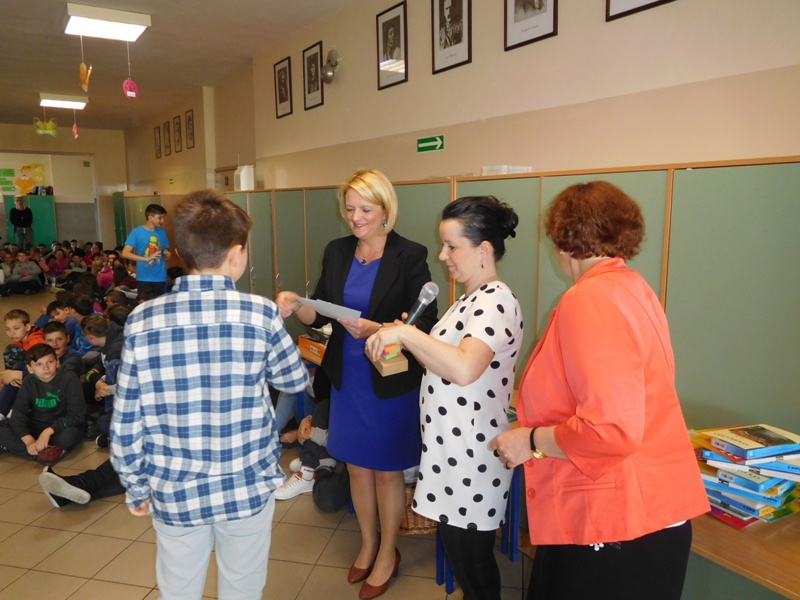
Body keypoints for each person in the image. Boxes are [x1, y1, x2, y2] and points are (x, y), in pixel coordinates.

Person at [490, 181, 710, 600]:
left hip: (616, 522)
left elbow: (610, 430)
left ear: (562, 241)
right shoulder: (634, 288)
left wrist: (529, 441)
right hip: (651, 510)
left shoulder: (588, 300)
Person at [111, 189, 309, 600]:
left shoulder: (142, 320)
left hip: (175, 490)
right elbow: (293, 380)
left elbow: (127, 420)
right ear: (236, 254)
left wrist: (136, 486)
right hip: (246, 485)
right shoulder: (260, 313)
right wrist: (275, 327)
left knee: (179, 588)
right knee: (243, 585)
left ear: (181, 251)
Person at [276, 168, 437, 600]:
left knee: (385, 471)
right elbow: (320, 314)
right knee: (358, 468)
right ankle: (367, 543)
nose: (355, 218)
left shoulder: (410, 254)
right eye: (349, 209)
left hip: (387, 379)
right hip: (347, 378)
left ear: (386, 209)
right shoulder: (338, 250)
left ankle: (387, 551)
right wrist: (296, 304)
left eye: (365, 209)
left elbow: (426, 323)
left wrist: (378, 327)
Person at [367, 196, 522, 600]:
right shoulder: (469, 299)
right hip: (451, 451)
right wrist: (411, 339)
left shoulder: (495, 300)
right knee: (461, 555)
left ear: (483, 249)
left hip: (472, 456)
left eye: (452, 246)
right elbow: (443, 363)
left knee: (473, 564)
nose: (442, 255)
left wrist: (407, 334)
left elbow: (465, 368)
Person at [0, 344, 85, 465]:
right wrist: (28, 440)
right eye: (39, 364)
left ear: (57, 362)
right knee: (3, 427)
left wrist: (48, 431)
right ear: (30, 369)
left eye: (50, 362)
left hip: (60, 426)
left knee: (69, 435)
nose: (46, 368)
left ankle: (40, 450)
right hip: (37, 424)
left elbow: (76, 415)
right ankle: (44, 452)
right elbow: (18, 414)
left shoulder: (69, 378)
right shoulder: (29, 381)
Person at [120, 203, 172, 300]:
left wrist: (166, 253)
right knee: (144, 302)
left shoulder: (162, 232)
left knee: (160, 302)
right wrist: (146, 259)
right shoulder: (136, 232)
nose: (162, 221)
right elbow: (125, 253)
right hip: (144, 276)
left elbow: (163, 248)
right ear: (150, 217)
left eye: (163, 218)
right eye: (160, 218)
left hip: (160, 276)